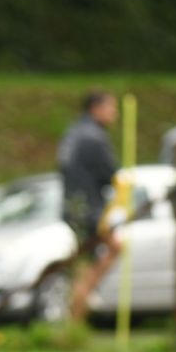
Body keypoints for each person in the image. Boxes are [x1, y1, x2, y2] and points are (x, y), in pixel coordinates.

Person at [59, 90, 122, 323]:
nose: (114, 114)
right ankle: (83, 298)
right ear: (96, 108)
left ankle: (79, 306)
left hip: (73, 208)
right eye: (111, 108)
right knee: (114, 247)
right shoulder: (94, 137)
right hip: (90, 209)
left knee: (84, 261)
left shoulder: (72, 133)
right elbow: (110, 173)